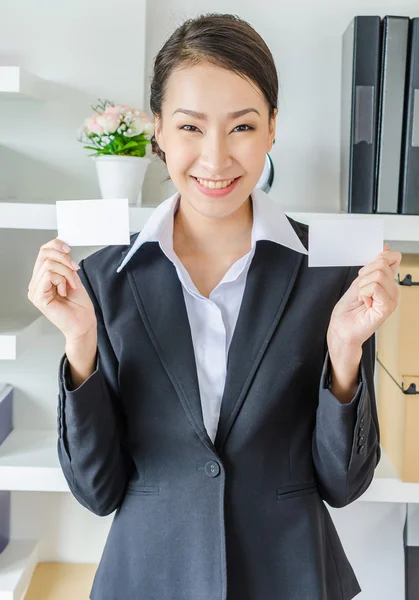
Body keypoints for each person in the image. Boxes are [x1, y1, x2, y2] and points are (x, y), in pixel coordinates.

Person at [27, 13, 402, 600]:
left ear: (273, 127)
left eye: (243, 126)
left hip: (291, 577)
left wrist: (344, 353)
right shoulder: (103, 279)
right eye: (191, 127)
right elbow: (97, 492)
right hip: (149, 578)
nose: (216, 157)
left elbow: (343, 483)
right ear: (159, 132)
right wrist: (81, 350)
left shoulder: (330, 279)